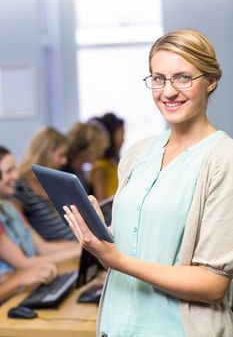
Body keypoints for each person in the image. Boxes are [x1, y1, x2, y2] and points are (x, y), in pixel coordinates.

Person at [64, 28, 233, 337]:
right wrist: (101, 235)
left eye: (183, 77)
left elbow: (213, 286)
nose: (167, 91)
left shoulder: (224, 159)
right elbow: (135, 250)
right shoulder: (137, 153)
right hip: (114, 327)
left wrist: (115, 259)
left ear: (211, 81)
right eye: (158, 78)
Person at [0, 145, 81, 277]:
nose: (16, 175)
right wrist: (78, 251)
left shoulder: (10, 208)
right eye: (9, 171)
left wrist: (81, 246)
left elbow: (43, 248)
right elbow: (24, 264)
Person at [11, 126, 75, 241]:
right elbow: (22, 235)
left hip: (75, 247)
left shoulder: (55, 181)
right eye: (61, 155)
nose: (64, 161)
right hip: (61, 254)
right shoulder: (20, 187)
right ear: (45, 154)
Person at [62, 121, 109, 194]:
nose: (101, 154)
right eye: (99, 149)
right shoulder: (65, 173)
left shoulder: (80, 172)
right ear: (88, 149)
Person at [89, 113, 125, 201]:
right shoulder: (100, 166)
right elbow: (101, 200)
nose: (123, 139)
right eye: (122, 134)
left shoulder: (114, 162)